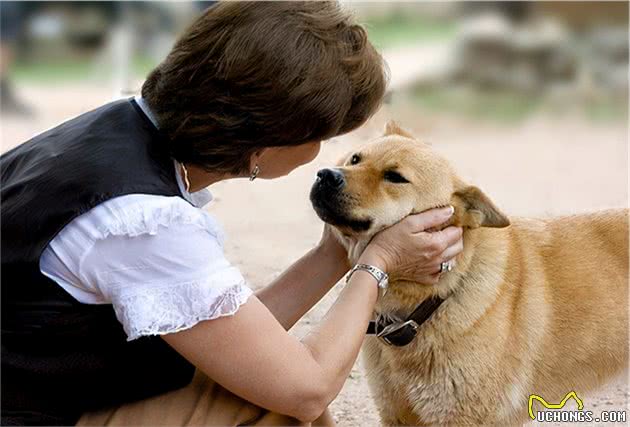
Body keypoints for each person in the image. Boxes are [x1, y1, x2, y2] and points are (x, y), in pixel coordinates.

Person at [0, 2, 463, 426]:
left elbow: (231, 336)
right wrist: (376, 265)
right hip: (29, 413)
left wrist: (336, 252)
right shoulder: (143, 222)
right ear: (270, 136)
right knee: (288, 413)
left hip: (39, 388)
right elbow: (307, 389)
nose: (329, 156)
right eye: (323, 134)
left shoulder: (116, 137)